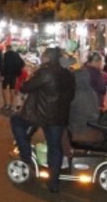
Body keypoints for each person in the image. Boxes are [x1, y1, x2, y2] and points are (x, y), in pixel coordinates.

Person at [10, 47, 75, 193]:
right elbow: (72, 95)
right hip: (60, 116)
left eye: (43, 56)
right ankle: (54, 182)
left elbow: (26, 87)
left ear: (47, 58)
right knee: (55, 146)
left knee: (16, 121)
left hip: (41, 114)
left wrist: (33, 76)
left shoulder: (45, 72)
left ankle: (25, 154)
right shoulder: (68, 74)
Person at [1, 43, 25, 111]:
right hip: (14, 74)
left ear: (7, 48)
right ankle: (11, 105)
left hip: (6, 74)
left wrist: (2, 74)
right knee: (12, 89)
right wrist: (18, 70)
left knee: (4, 88)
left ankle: (6, 104)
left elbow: (3, 65)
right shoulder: (16, 54)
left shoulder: (5, 54)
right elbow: (22, 63)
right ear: (11, 48)